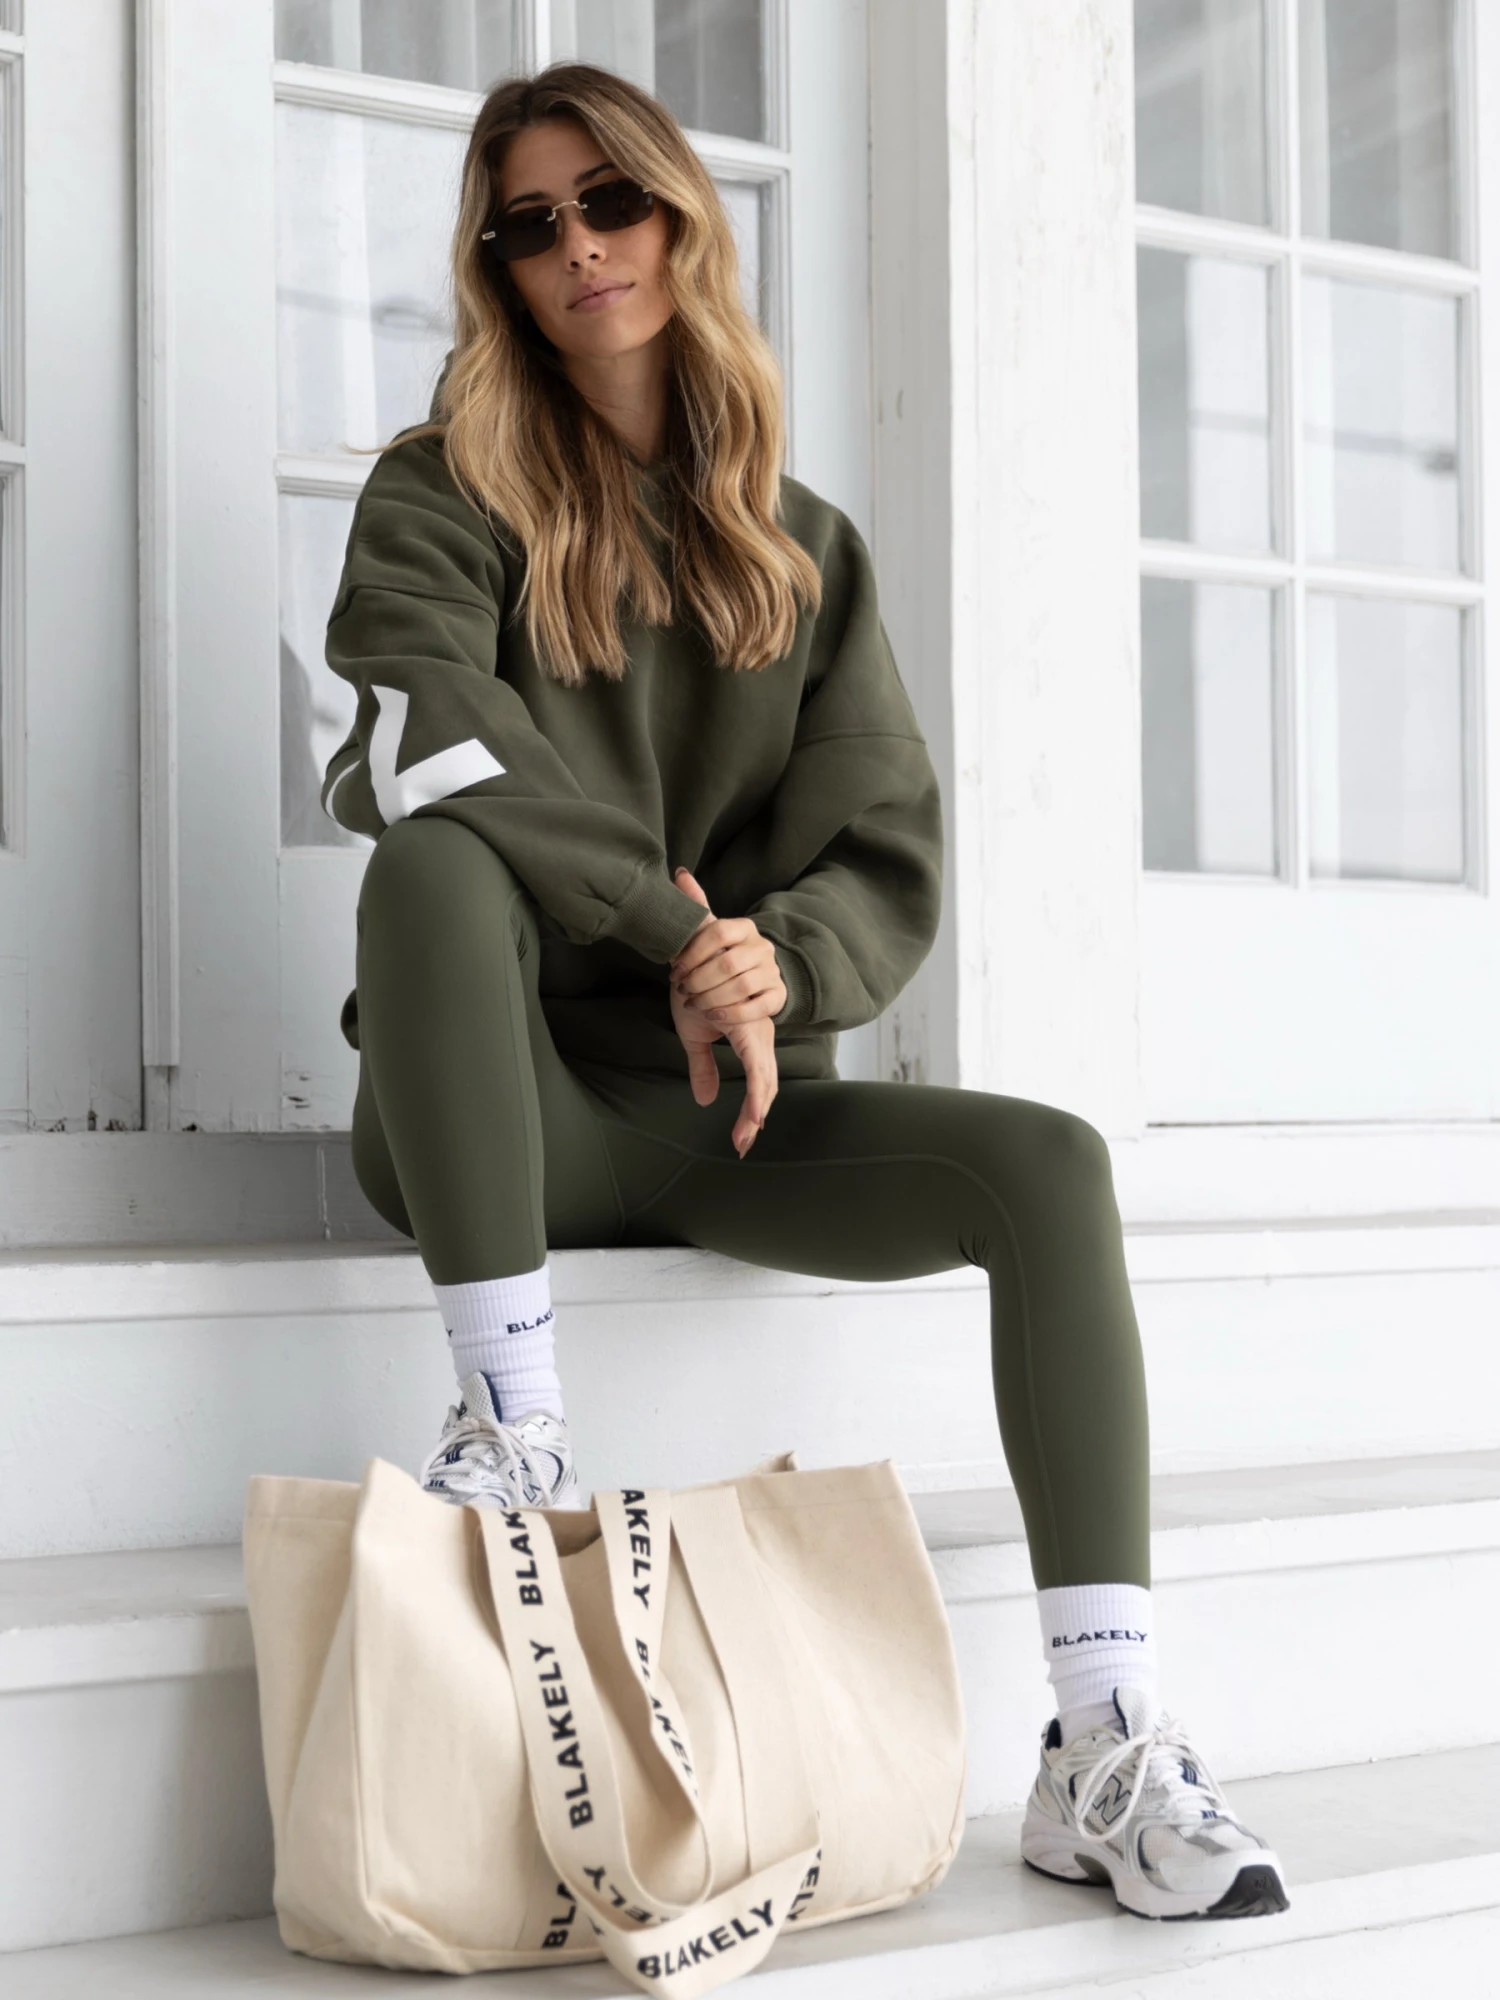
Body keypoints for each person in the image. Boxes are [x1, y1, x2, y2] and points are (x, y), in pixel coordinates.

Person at [317, 62, 1289, 1926]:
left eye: (611, 201)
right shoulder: (441, 493)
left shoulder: (803, 545)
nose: (580, 247)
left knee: (1051, 1166)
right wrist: (664, 921)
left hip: (730, 1117)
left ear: (680, 214)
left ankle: (1104, 1743)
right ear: (498, 270)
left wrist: (782, 958)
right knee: (428, 865)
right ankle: (514, 1422)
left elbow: (884, 844)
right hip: (500, 1117)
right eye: (529, 226)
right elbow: (414, 742)